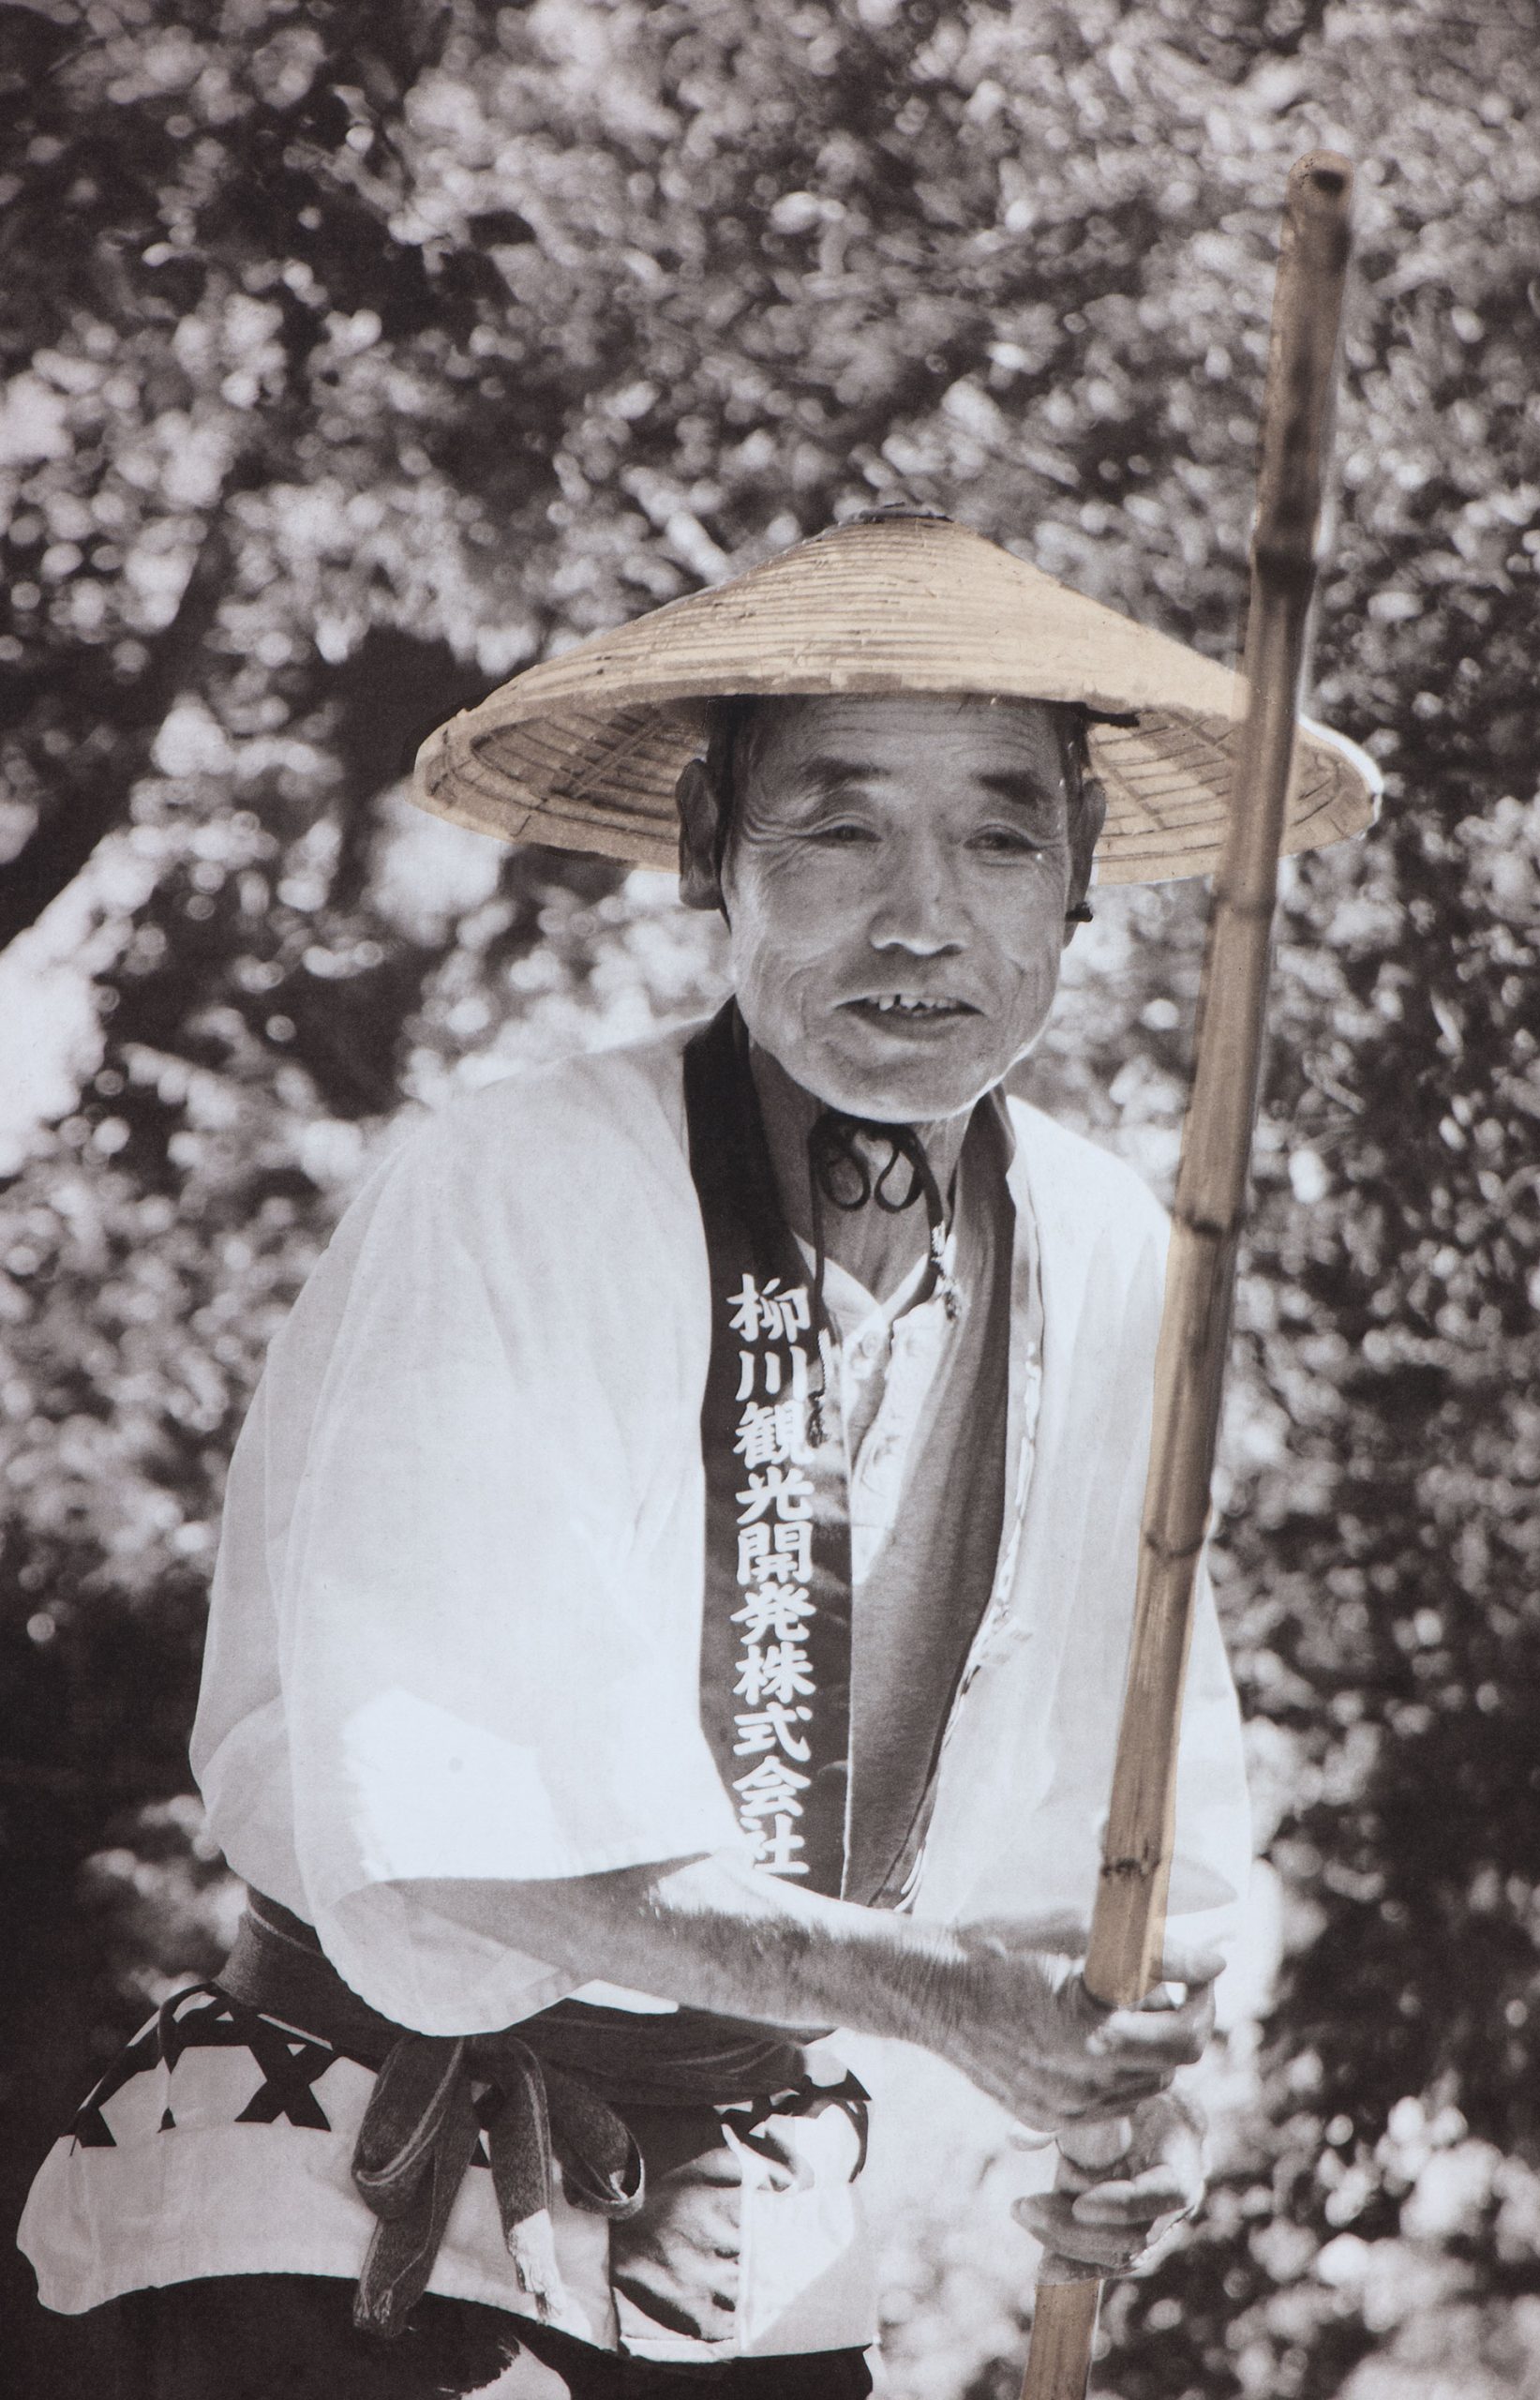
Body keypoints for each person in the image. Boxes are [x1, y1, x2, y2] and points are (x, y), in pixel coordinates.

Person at [19, 509, 1378, 2398]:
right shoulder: (506, 1190)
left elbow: (1119, 1839)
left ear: (1078, 873)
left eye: (997, 832)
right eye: (835, 825)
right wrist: (929, 1998)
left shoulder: (1108, 1253)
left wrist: (1109, 2099)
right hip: (348, 2201)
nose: (924, 914)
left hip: (743, 2243)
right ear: (702, 850)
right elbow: (467, 1827)